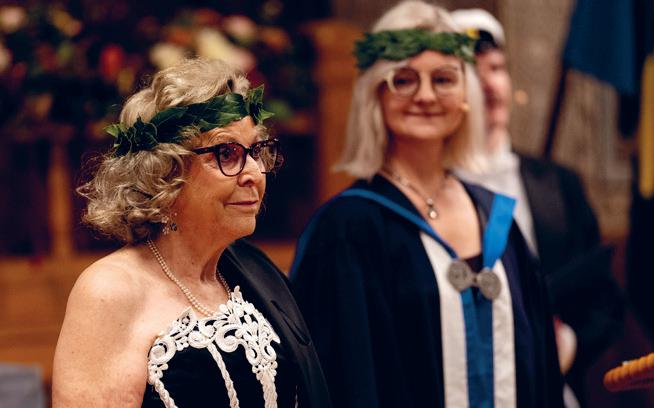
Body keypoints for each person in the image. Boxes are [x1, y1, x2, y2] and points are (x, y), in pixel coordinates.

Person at [289, 2, 563, 407]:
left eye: (444, 79)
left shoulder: (497, 218)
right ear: (376, 94)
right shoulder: (347, 231)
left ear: (466, 95)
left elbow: (541, 367)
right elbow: (345, 378)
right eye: (403, 80)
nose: (425, 95)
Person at [52, 58, 331, 407]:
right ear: (165, 173)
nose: (253, 174)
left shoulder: (255, 271)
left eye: (256, 151)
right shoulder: (111, 290)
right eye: (226, 153)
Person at [451, 9, 625, 407]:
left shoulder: (558, 184)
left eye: (497, 68)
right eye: (472, 73)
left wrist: (568, 343)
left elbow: (604, 299)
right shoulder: (432, 192)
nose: (489, 85)